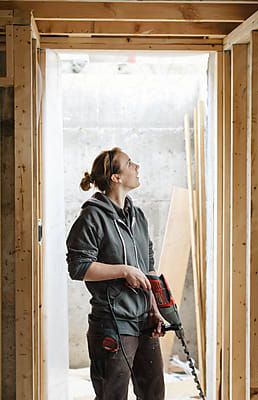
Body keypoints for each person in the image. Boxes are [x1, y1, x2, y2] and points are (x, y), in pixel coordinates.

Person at [66, 147, 165, 400]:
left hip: (144, 321)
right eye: (130, 164)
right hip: (112, 323)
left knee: (154, 394)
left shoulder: (138, 216)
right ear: (116, 177)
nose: (137, 167)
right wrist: (123, 270)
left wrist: (155, 309)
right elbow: (79, 267)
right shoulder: (92, 217)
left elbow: (148, 267)